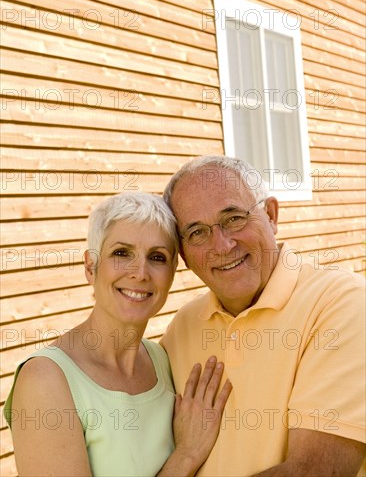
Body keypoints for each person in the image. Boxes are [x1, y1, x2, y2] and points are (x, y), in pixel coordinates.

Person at [161, 155, 366, 477]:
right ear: (184, 254)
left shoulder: (342, 301)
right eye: (197, 232)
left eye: (233, 219)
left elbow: (315, 472)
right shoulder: (181, 328)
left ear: (270, 215)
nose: (223, 245)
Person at [4, 192, 232, 477]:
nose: (140, 273)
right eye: (121, 253)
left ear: (173, 271)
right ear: (91, 267)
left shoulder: (161, 359)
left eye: (157, 257)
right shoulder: (45, 380)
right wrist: (186, 455)